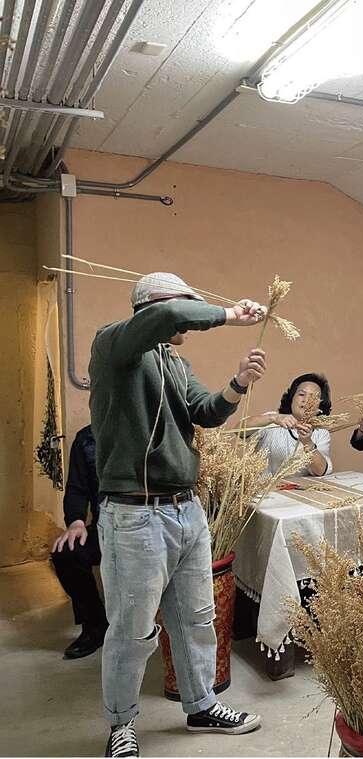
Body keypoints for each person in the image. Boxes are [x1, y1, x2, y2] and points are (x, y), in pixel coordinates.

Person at [89, 272, 266, 757]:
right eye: (188, 304)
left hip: (185, 509)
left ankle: (201, 705)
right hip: (134, 515)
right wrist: (229, 314)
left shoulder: (175, 361)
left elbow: (205, 411)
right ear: (158, 306)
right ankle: (121, 724)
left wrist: (238, 383)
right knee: (132, 630)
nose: (189, 317)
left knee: (195, 618)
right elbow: (168, 314)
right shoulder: (113, 345)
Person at [51, 424, 107, 659]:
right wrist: (76, 522)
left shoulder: (147, 426)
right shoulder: (86, 439)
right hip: (106, 528)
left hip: (146, 527)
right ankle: (95, 626)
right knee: (67, 551)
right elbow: (76, 488)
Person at [249, 373, 332, 476]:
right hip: (263, 485)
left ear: (320, 405)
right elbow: (240, 430)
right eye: (301, 394)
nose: (306, 400)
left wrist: (308, 442)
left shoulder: (321, 433)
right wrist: (273, 418)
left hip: (298, 486)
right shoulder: (272, 420)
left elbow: (321, 471)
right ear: (291, 398)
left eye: (313, 397)